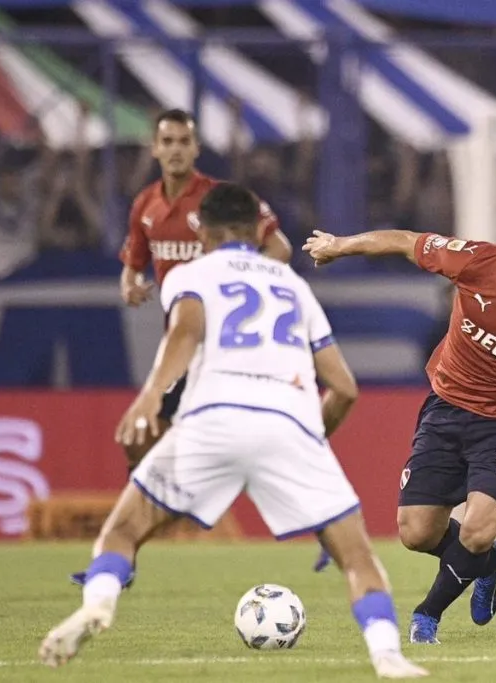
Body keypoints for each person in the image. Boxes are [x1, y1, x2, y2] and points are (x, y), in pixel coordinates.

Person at [38, 183, 426, 678]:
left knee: (124, 531)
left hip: (212, 419)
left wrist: (151, 395)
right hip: (289, 423)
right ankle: (387, 654)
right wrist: (309, 441)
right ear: (258, 229)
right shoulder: (293, 286)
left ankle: (98, 603)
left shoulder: (192, 274)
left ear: (204, 231)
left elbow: (185, 331)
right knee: (356, 556)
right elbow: (344, 387)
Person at [304, 206, 496, 644]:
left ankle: (428, 615)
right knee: (416, 532)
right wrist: (339, 246)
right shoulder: (478, 261)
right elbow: (406, 240)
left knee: (479, 526)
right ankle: (487, 563)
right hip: (447, 409)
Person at [118, 108, 293, 474]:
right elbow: (133, 265)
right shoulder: (145, 205)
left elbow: (279, 248)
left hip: (225, 341)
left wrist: (242, 285)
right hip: (181, 339)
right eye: (167, 142)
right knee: (140, 441)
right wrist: (130, 286)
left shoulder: (220, 201)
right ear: (154, 149)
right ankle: (177, 506)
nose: (176, 149)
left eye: (184, 141)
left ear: (197, 148)